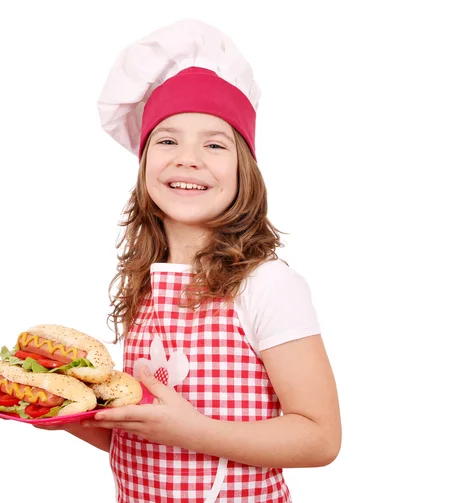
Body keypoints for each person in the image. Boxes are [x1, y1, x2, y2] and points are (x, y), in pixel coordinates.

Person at [41, 18, 341, 503]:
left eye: (215, 144)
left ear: (245, 170)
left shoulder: (267, 286)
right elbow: (144, 439)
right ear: (143, 166)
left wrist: (191, 430)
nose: (187, 158)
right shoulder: (147, 285)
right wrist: (63, 411)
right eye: (167, 140)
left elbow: (321, 437)